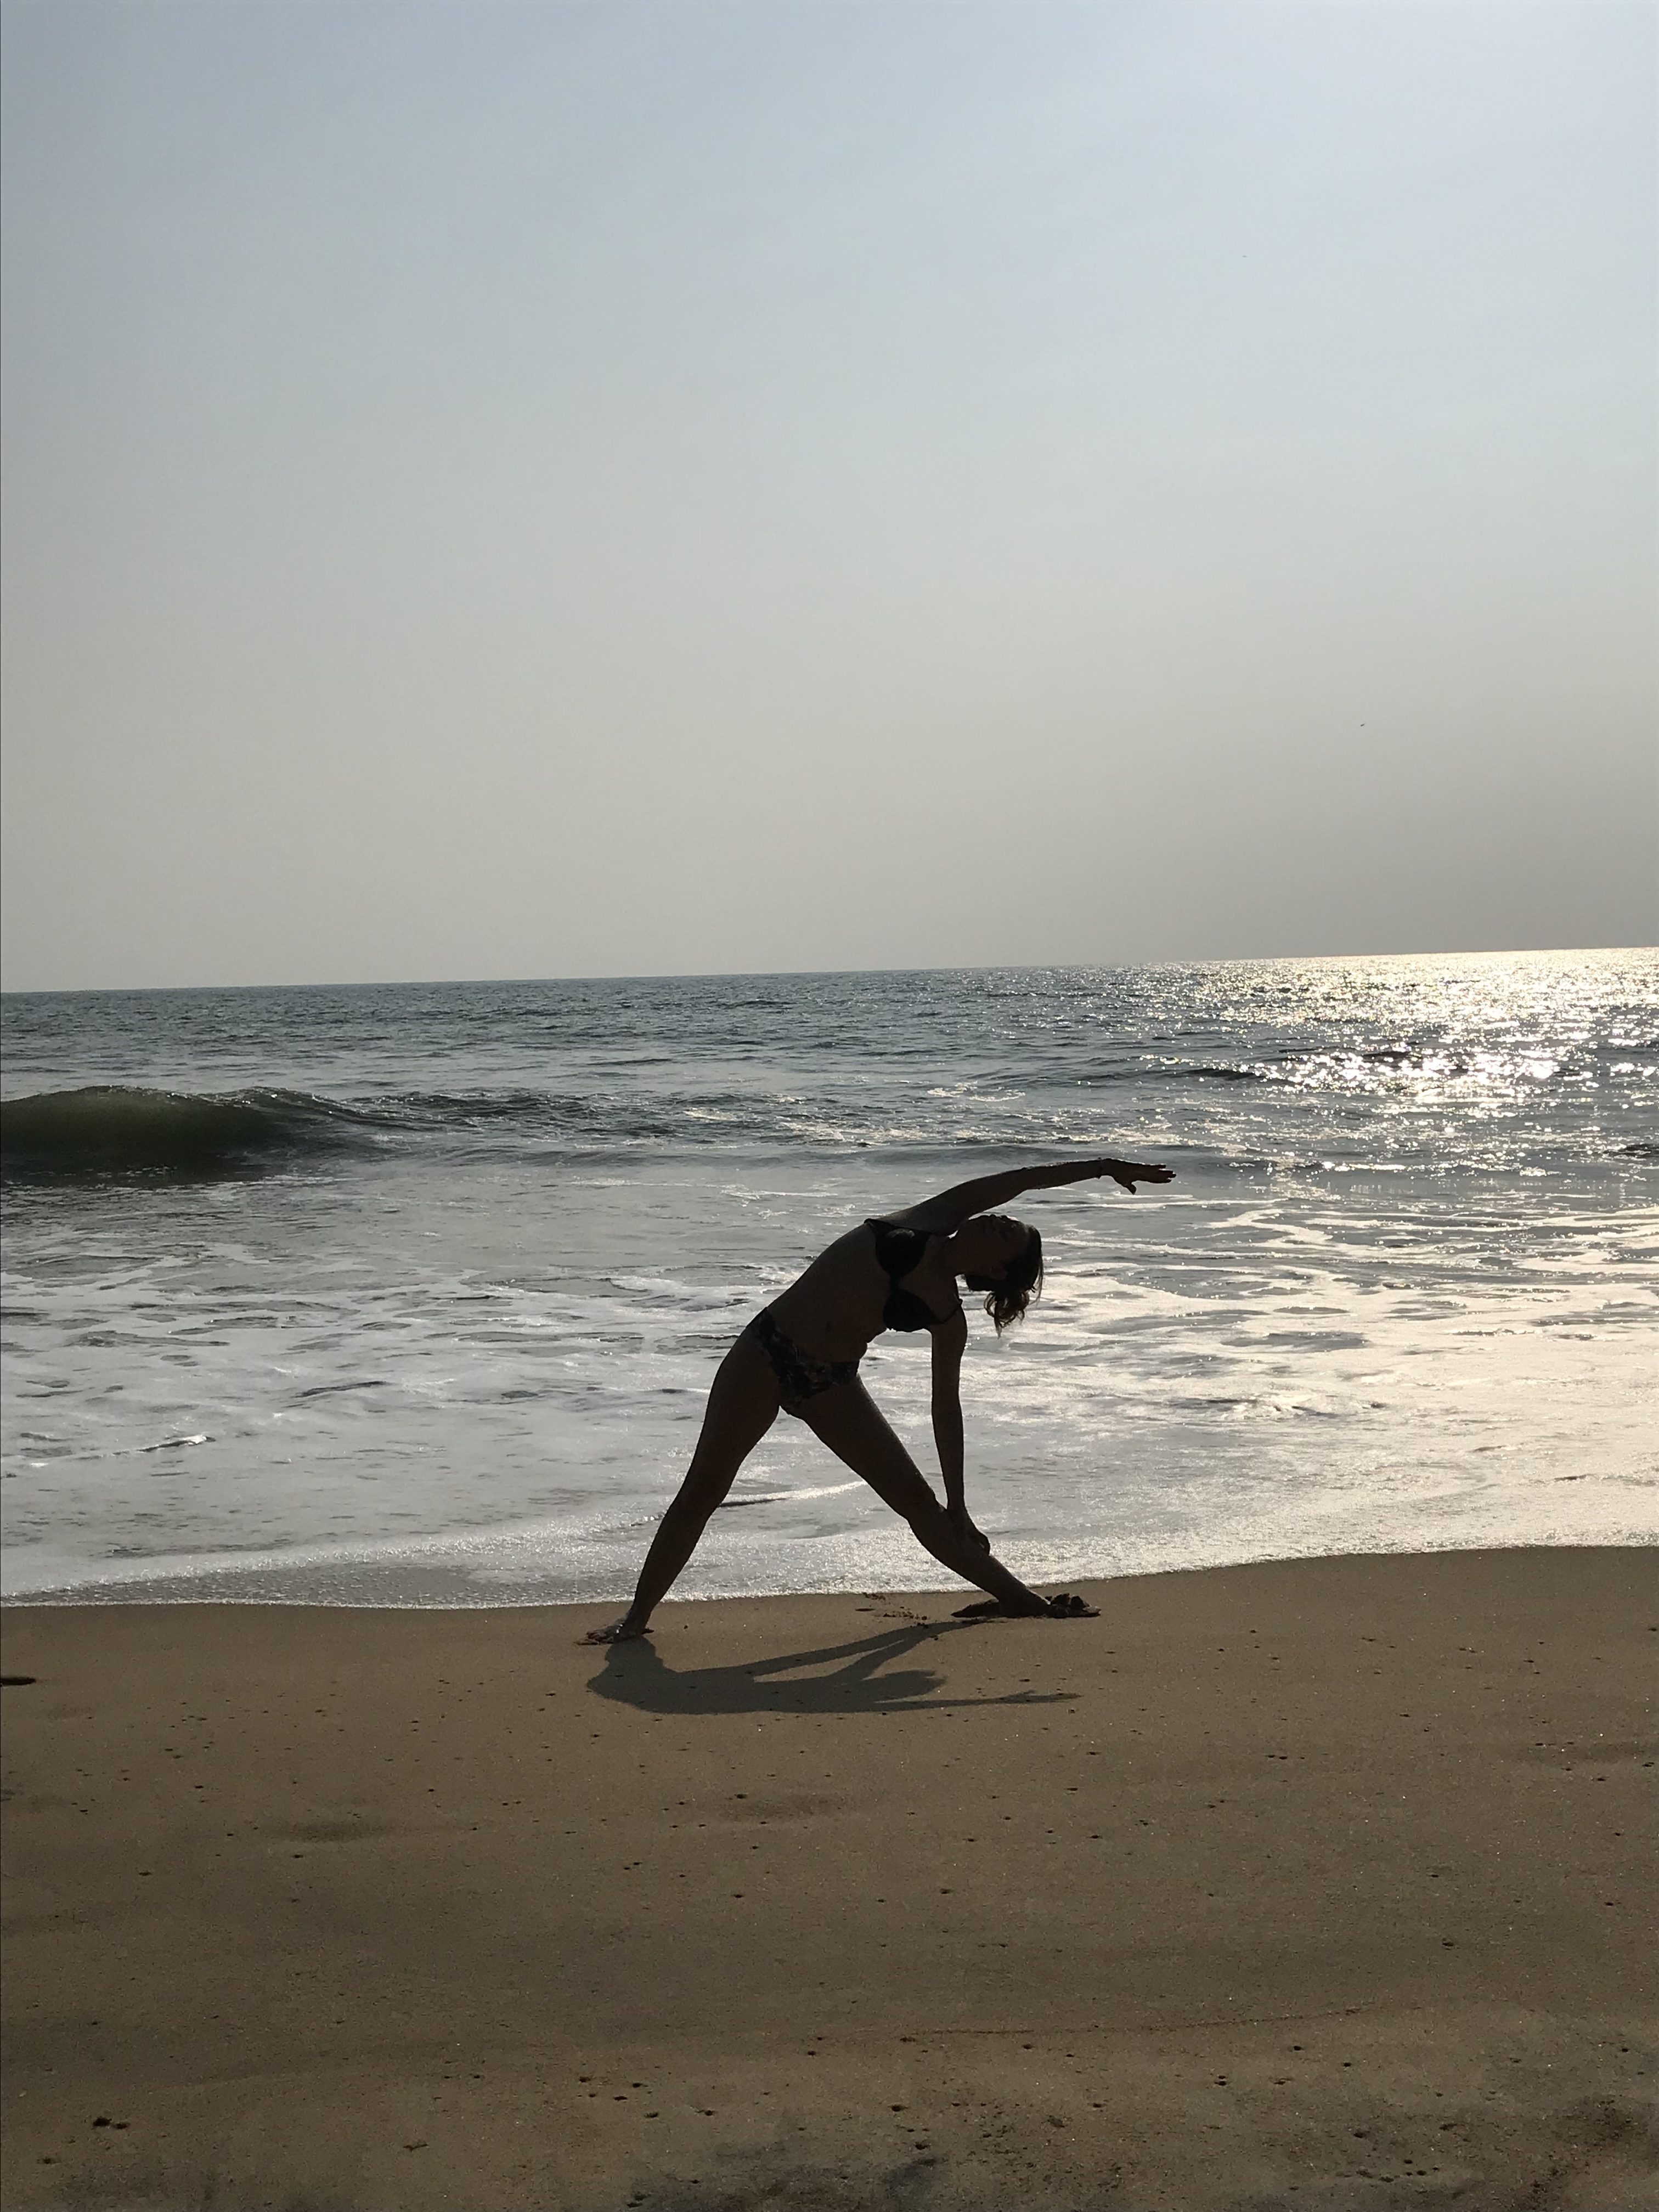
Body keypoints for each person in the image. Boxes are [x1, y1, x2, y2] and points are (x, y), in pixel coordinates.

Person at [582, 1153, 1175, 1644]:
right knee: (704, 1491)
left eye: (1004, 1233)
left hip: (831, 1383)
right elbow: (1022, 1179)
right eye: (1001, 1219)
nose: (996, 1219)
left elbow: (946, 1410)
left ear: (996, 1269)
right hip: (764, 1353)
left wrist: (960, 1504)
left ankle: (1025, 1603)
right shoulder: (929, 1220)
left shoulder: (947, 1315)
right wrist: (1103, 1167)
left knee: (920, 1506)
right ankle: (635, 1619)